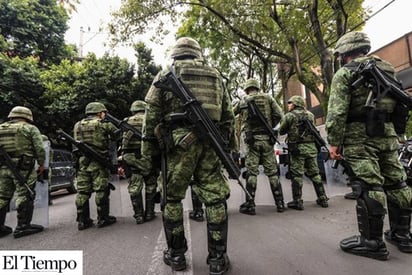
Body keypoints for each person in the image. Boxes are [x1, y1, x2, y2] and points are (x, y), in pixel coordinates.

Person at [142, 37, 234, 274]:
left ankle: (176, 256)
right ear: (197, 53)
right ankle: (217, 259)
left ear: (176, 54)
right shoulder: (215, 75)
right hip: (211, 143)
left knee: (172, 199)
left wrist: (149, 154)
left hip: (178, 146)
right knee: (215, 199)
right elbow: (228, 116)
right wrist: (228, 150)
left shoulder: (164, 74)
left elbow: (150, 116)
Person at [326, 31, 412, 260]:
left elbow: (336, 112)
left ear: (344, 52)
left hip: (359, 138)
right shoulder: (387, 69)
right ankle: (403, 235)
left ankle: (372, 242)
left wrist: (333, 143)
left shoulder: (345, 74)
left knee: (369, 186)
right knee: (397, 183)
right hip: (386, 134)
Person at [234, 78, 285, 215]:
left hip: (252, 142)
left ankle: (250, 205)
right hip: (267, 140)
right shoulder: (268, 98)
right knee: (272, 172)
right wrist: (274, 129)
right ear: (257, 87)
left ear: (246, 89)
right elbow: (281, 116)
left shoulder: (243, 101)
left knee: (252, 172)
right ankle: (280, 203)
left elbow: (231, 114)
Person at [0, 106, 45, 238]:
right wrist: (41, 164)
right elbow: (39, 148)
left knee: (2, 197)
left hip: (2, 168)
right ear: (27, 117)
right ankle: (23, 226)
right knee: (25, 194)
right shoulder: (29, 128)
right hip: (23, 168)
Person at [73, 102, 119, 230]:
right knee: (101, 189)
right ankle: (103, 218)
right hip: (99, 162)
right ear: (100, 113)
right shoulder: (104, 124)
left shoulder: (78, 125)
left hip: (83, 162)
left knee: (82, 191)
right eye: (104, 113)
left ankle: (82, 220)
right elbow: (117, 134)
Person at [279, 95, 329, 210]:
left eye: (290, 103)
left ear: (296, 104)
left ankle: (297, 201)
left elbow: (281, 131)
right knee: (315, 174)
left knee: (297, 175)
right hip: (311, 148)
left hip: (297, 149)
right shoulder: (311, 115)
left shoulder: (289, 116)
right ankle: (322, 198)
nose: (289, 105)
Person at [121, 100, 158, 224]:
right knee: (151, 185)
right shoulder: (151, 120)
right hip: (148, 156)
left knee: (134, 187)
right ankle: (149, 213)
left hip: (132, 158)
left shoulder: (126, 121)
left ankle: (138, 216)